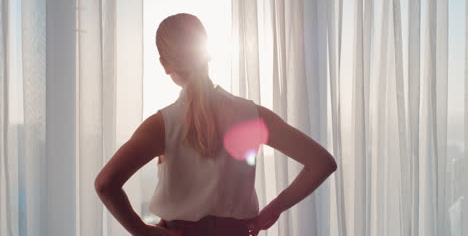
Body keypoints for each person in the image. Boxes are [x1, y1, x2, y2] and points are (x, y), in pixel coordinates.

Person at [94, 13, 337, 236]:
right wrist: (274, 209)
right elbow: (322, 163)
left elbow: (106, 185)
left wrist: (143, 232)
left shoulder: (162, 124)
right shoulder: (253, 115)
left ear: (165, 65)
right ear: (207, 54)